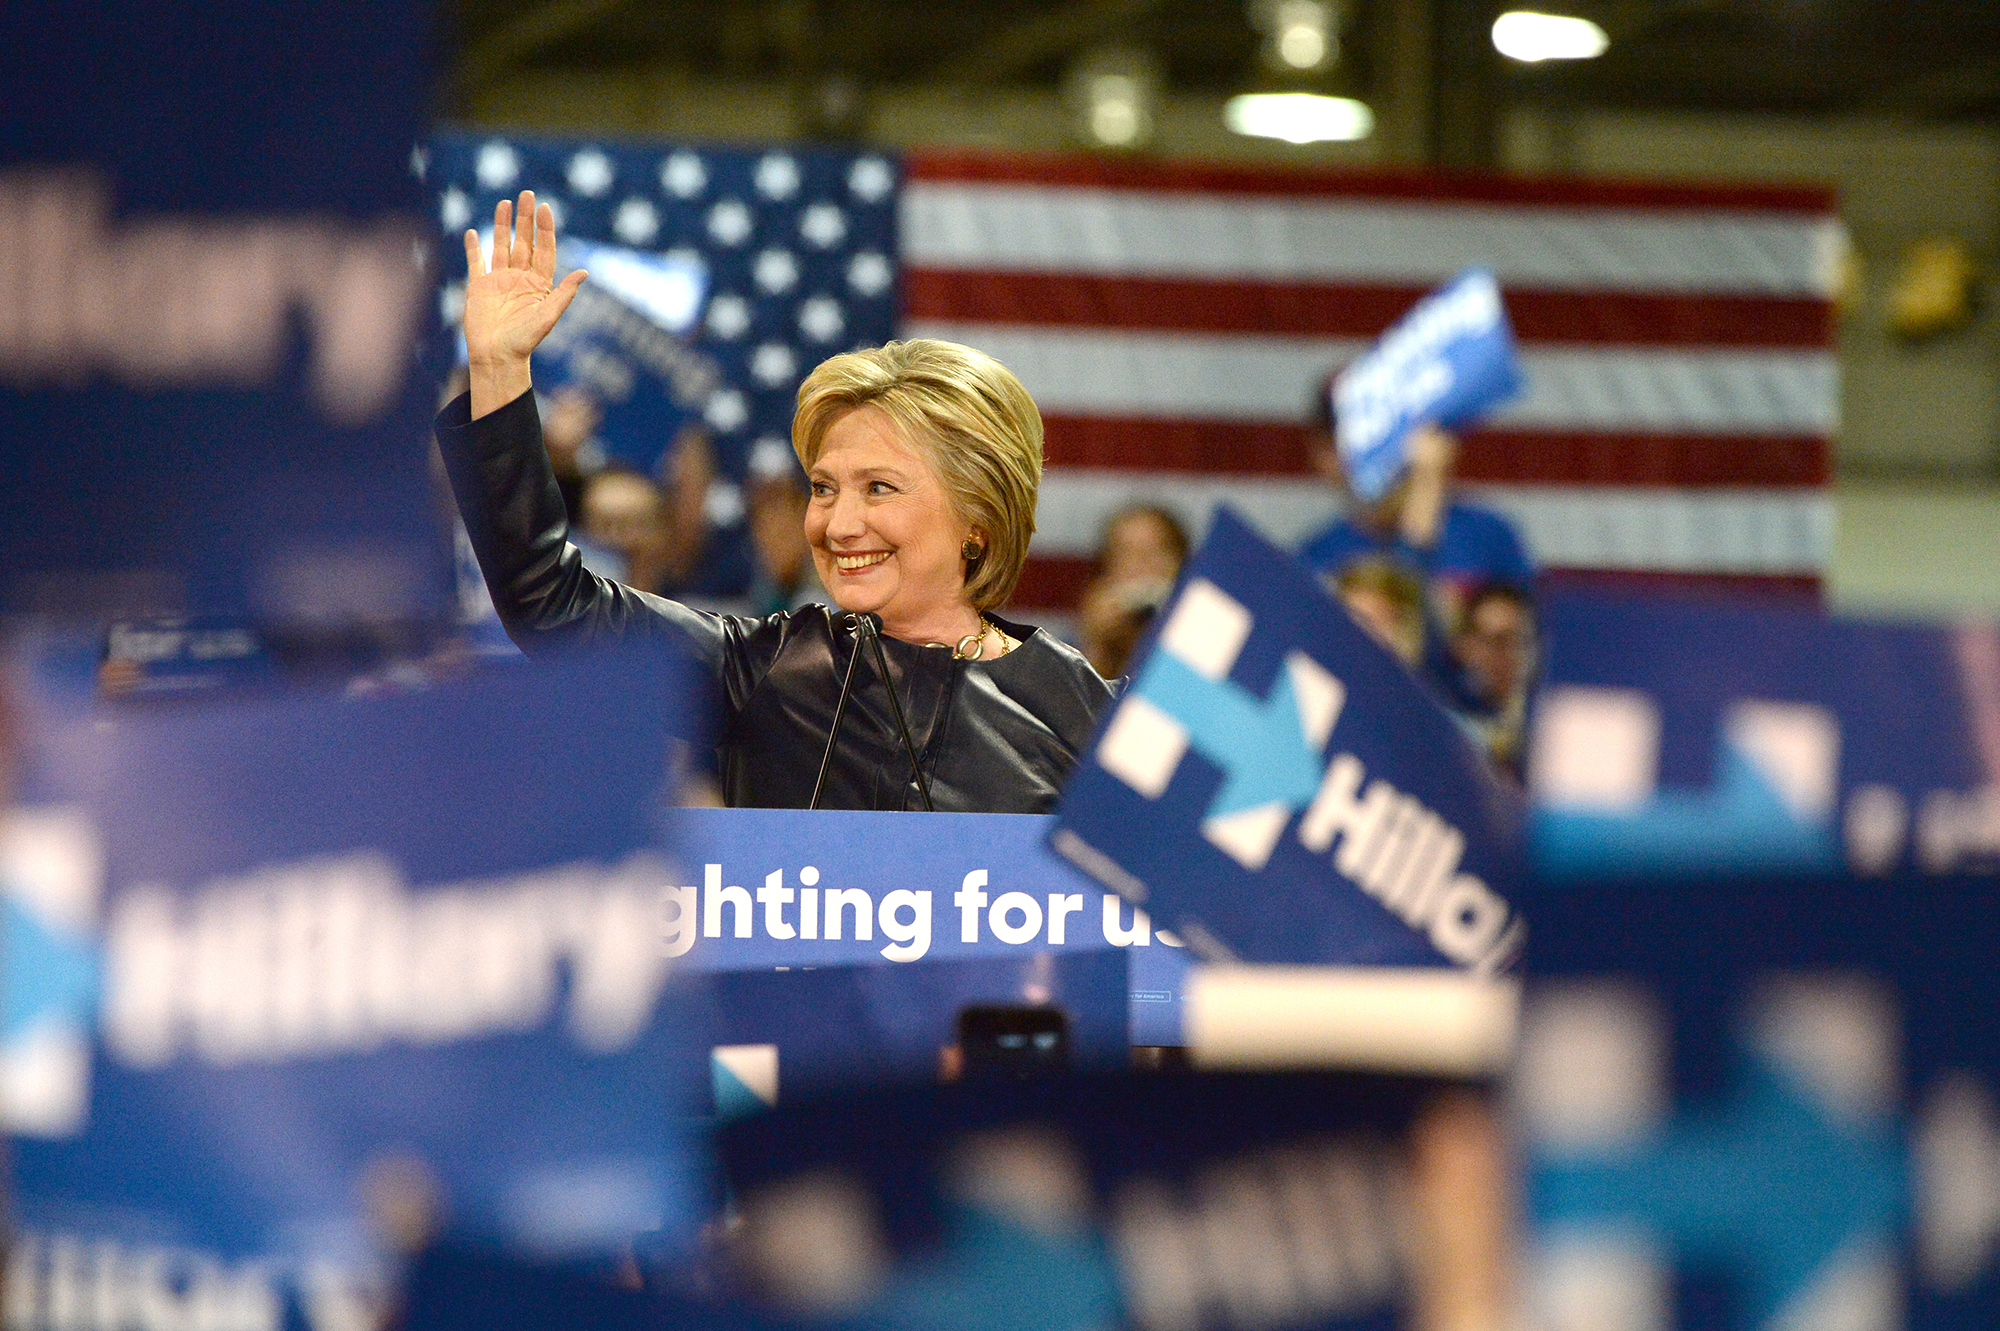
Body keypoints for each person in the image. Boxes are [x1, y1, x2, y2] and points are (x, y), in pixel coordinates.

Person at [437, 191, 1113, 813]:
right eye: (824, 488)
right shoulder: (770, 671)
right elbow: (549, 600)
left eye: (879, 487)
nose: (839, 524)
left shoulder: (1076, 705)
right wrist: (499, 369)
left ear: (978, 515)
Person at [1298, 372, 1533, 629]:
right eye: (1345, 440)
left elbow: (1526, 649)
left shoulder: (1489, 537)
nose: (1371, 452)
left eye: (1381, 433)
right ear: (1322, 454)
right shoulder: (1313, 560)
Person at [1076, 503, 1188, 679]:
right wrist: (1096, 646)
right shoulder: (1076, 647)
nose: (1141, 565)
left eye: (1156, 550)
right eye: (1126, 553)